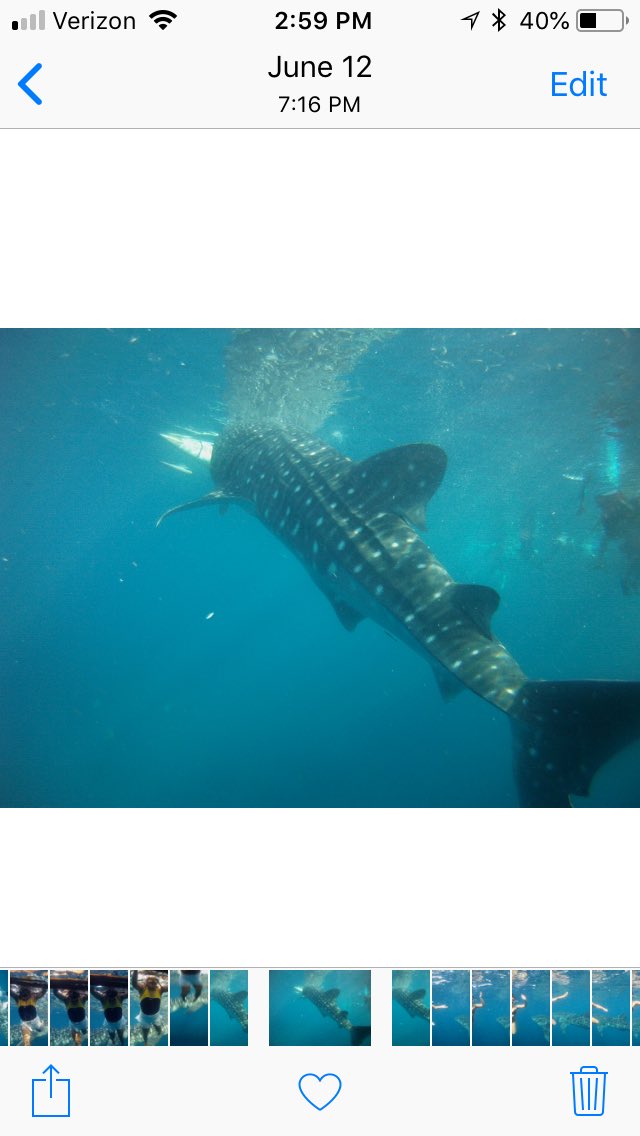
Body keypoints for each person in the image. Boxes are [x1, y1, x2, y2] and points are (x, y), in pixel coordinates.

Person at [597, 490, 640, 594]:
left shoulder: (632, 505)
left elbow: (608, 537)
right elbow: (608, 536)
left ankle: (631, 581)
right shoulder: (610, 518)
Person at [131, 971, 168, 1045]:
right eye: (150, 981)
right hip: (144, 1017)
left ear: (157, 983)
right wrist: (135, 971)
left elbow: (168, 988)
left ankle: (159, 1033)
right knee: (145, 1032)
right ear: (146, 983)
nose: (153, 982)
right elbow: (134, 983)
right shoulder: (143, 989)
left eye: (155, 981)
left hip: (156, 1016)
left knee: (158, 1028)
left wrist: (161, 983)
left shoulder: (160, 990)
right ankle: (145, 1042)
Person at [10, 976, 47, 1046]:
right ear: (20, 993)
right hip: (25, 1023)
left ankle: (42, 1023)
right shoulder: (18, 999)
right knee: (26, 1041)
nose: (24, 996)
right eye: (22, 993)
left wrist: (43, 984)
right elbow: (10, 991)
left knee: (41, 1030)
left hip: (36, 1021)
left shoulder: (33, 997)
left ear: (29, 993)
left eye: (26, 993)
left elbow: (44, 991)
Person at [91, 979, 128, 1045]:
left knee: (120, 1035)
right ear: (106, 993)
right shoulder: (103, 998)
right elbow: (92, 991)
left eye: (113, 994)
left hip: (119, 1021)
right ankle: (113, 1042)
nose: (111, 997)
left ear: (116, 993)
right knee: (112, 1035)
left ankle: (122, 1044)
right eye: (109, 994)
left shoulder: (119, 997)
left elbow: (92, 990)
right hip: (109, 1023)